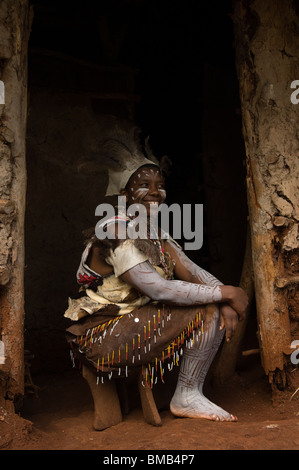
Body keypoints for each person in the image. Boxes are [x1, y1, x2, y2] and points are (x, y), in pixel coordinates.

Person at [64, 121, 248, 425]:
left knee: (210, 302)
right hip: (99, 339)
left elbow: (194, 273)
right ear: (124, 192)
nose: (155, 192)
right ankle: (186, 395)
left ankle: (188, 393)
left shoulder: (155, 234)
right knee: (205, 309)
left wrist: (225, 296)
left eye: (159, 185)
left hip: (132, 327)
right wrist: (227, 293)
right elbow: (159, 290)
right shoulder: (115, 230)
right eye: (144, 184)